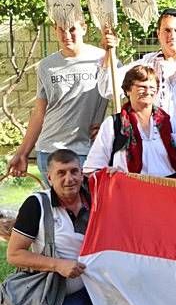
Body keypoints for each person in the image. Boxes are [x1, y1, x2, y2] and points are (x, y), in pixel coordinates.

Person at [6, 149, 143, 305]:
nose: (69, 179)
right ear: (49, 177)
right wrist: (57, 265)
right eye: (61, 173)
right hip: (64, 292)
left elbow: (129, 206)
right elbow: (14, 255)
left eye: (74, 172)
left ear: (82, 173)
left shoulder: (96, 195)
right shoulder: (36, 205)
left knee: (138, 291)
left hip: (104, 283)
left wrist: (118, 180)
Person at [7, 18, 107, 182]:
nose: (66, 35)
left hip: (86, 152)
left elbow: (123, 96)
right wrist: (22, 153)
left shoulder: (103, 59)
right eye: (61, 29)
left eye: (72, 29)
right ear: (54, 30)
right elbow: (39, 113)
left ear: (84, 28)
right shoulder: (47, 65)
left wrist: (108, 127)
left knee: (87, 207)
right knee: (55, 207)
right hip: (49, 152)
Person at [99, 9, 176, 143]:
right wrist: (109, 52)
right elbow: (108, 88)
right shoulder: (144, 66)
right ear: (158, 33)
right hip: (153, 148)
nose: (172, 35)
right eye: (167, 30)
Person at [83, 65, 176, 178]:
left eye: (152, 87)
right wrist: (108, 173)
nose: (148, 92)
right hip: (129, 190)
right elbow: (93, 168)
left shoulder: (169, 122)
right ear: (128, 90)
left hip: (168, 190)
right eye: (142, 87)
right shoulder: (113, 124)